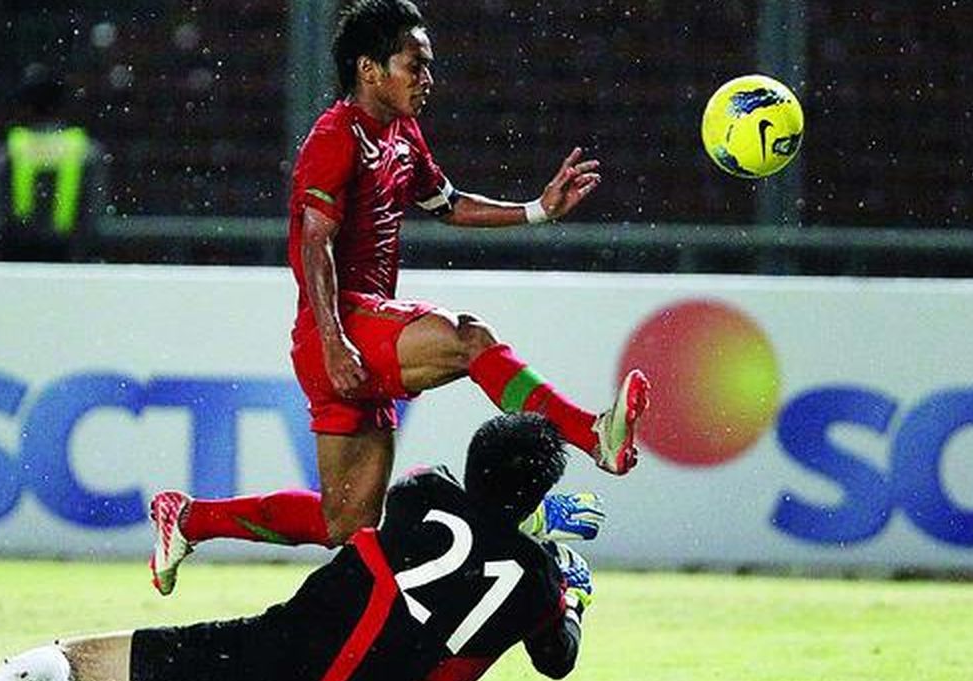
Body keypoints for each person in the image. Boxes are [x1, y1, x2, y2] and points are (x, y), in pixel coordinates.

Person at [147, 0, 649, 594]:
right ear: (370, 69)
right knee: (468, 338)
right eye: (416, 64)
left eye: (429, 66)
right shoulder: (335, 138)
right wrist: (334, 342)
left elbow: (448, 204)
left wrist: (537, 210)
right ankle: (592, 435)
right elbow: (316, 246)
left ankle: (189, 518)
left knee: (346, 521)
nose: (428, 78)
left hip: (352, 334)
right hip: (340, 327)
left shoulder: (402, 134)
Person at [0, 413, 596, 681]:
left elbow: (361, 519)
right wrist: (571, 592)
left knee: (68, 658)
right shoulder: (537, 587)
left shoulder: (417, 492)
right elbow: (556, 658)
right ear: (537, 495)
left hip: (268, 665)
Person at [0, 63, 108, 262]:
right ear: (62, 105)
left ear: (24, 105)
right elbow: (94, 210)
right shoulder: (86, 151)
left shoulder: (7, 151)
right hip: (69, 257)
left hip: (18, 256)